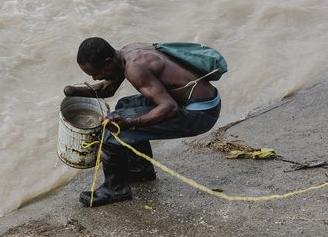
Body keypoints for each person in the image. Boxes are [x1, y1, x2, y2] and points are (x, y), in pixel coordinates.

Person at [63, 37, 222, 206]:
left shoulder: (134, 69)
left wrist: (131, 123)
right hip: (203, 100)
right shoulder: (125, 52)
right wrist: (74, 91)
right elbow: (107, 89)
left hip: (200, 113)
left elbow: (169, 108)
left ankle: (115, 189)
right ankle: (141, 170)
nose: (95, 78)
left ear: (108, 62)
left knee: (113, 131)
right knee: (125, 104)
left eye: (96, 73)